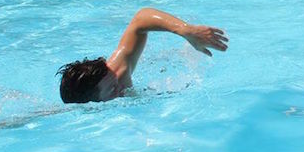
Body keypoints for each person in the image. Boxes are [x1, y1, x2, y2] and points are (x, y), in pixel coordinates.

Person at [57, 8, 228, 104]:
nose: (121, 85)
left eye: (114, 80)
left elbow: (140, 19)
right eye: (112, 90)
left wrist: (185, 30)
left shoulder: (116, 74)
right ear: (93, 104)